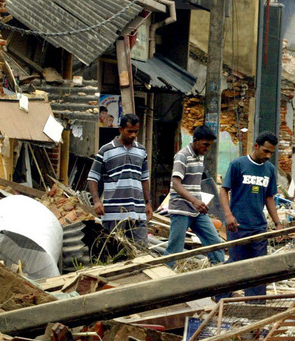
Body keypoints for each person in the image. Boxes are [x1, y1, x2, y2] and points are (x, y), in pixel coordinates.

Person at [218, 132, 283, 297]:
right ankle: (220, 296)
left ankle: (256, 305)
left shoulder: (270, 169)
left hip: (258, 228)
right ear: (256, 146)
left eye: (271, 153)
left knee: (259, 269)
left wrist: (278, 223)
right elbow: (224, 190)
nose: (268, 156)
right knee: (236, 266)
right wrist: (228, 215)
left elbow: (269, 197)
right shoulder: (238, 165)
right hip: (237, 226)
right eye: (265, 151)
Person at [87, 113, 152, 244]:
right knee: (115, 252)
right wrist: (97, 201)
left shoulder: (142, 151)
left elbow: (144, 179)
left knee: (142, 252)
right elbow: (92, 177)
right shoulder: (106, 150)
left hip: (138, 213)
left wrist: (148, 203)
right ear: (121, 129)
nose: (133, 135)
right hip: (113, 213)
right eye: (130, 131)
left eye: (136, 131)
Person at [166, 126, 224, 265]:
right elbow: (176, 183)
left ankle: (220, 273)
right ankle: (166, 276)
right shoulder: (182, 156)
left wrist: (201, 201)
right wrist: (194, 201)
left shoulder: (200, 157)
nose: (207, 148)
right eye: (205, 144)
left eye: (210, 145)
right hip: (181, 209)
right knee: (175, 248)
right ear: (195, 140)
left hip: (196, 211)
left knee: (215, 242)